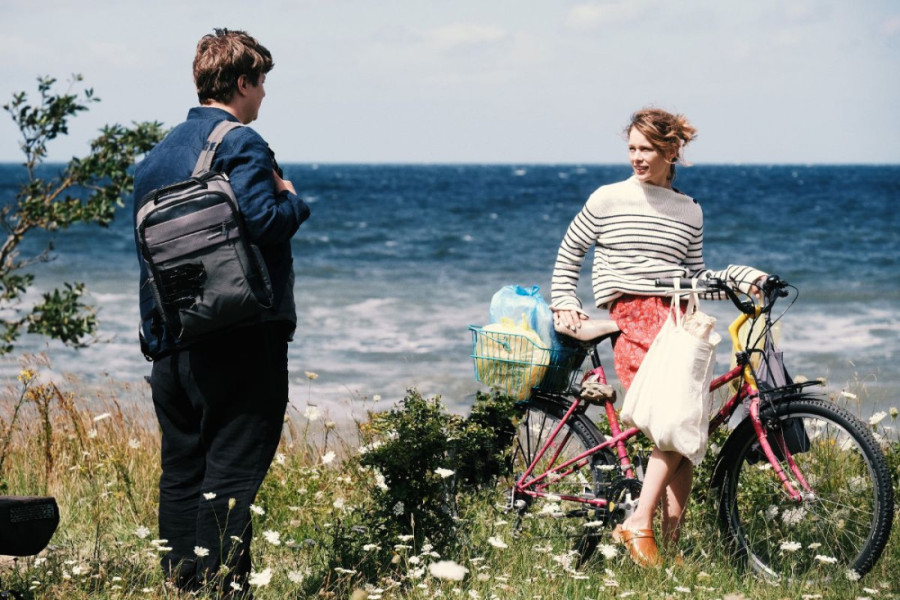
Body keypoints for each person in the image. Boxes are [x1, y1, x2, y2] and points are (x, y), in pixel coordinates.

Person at [132, 29, 310, 595]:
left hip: (173, 343)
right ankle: (219, 590)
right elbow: (265, 221)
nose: (263, 97)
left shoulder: (156, 156)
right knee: (232, 477)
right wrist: (293, 198)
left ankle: (182, 587)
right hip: (240, 340)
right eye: (261, 84)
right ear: (242, 81)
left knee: (182, 474)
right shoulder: (242, 144)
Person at [550, 108, 766, 567]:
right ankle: (637, 522)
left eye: (646, 149)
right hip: (631, 315)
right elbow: (570, 252)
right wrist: (564, 300)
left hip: (679, 318)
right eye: (631, 148)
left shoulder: (689, 211)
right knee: (672, 423)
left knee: (687, 429)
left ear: (672, 151)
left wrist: (741, 277)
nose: (636, 158)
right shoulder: (608, 199)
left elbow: (695, 275)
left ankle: (668, 547)